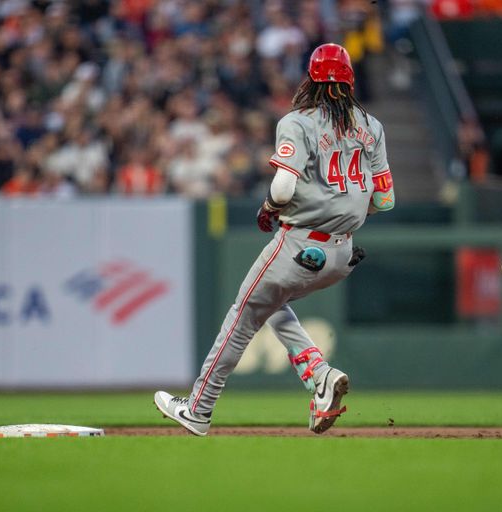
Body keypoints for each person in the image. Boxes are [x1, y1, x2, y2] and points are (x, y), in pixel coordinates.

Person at [154, 43, 395, 436]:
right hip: (343, 252)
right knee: (271, 304)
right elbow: (384, 200)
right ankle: (320, 377)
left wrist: (268, 206)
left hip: (302, 243)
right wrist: (344, 209)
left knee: (242, 315)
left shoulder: (298, 121)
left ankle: (198, 408)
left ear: (310, 79)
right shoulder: (373, 127)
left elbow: (283, 189)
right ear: (350, 81)